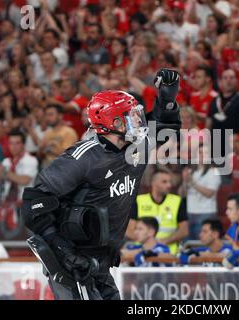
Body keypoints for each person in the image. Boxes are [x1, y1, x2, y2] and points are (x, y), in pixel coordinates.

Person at [21, 68, 181, 300]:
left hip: (100, 262)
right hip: (73, 264)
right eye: (132, 115)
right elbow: (33, 204)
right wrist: (63, 253)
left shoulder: (135, 147)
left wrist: (167, 98)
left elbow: (166, 133)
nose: (139, 119)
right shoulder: (82, 157)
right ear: (114, 122)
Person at [127, 166, 189, 254]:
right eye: (164, 182)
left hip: (169, 254)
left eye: (170, 182)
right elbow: (129, 230)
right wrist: (148, 244)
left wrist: (162, 242)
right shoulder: (139, 201)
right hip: (141, 253)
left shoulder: (177, 201)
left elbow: (184, 231)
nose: (169, 185)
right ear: (153, 183)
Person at [179, 143, 221, 240]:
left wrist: (192, 182)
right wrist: (185, 181)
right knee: (188, 244)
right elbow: (181, 194)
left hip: (206, 213)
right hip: (190, 212)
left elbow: (209, 193)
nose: (202, 155)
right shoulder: (191, 172)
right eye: (200, 152)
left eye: (206, 153)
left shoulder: (213, 172)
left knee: (202, 244)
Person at [207, 69, 239, 159]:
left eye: (231, 78)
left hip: (234, 148)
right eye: (225, 78)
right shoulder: (214, 101)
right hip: (215, 148)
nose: (228, 80)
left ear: (236, 81)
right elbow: (208, 125)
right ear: (220, 82)